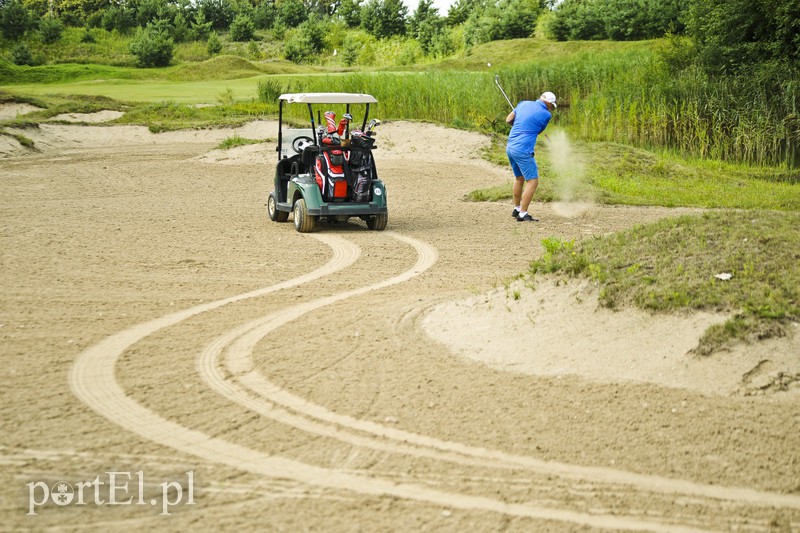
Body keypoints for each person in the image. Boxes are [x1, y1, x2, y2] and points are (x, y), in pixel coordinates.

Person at [506, 91, 557, 222]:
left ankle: (517, 208)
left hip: (510, 147)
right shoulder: (546, 115)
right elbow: (538, 130)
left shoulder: (523, 104)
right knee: (533, 181)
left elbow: (508, 120)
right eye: (551, 105)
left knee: (519, 178)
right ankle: (523, 214)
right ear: (548, 103)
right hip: (523, 150)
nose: (551, 108)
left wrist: (520, 123)